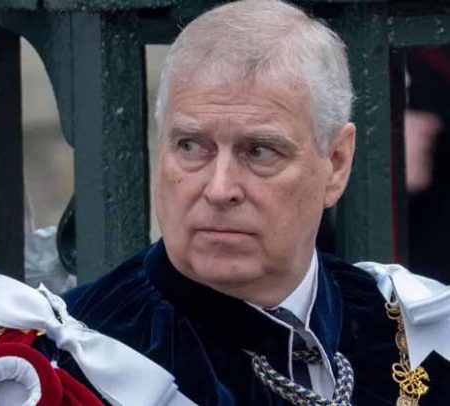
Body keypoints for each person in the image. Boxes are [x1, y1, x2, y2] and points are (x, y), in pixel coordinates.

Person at [41, 1, 450, 405]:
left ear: (337, 163)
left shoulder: (417, 330)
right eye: (191, 146)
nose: (220, 189)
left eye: (259, 151)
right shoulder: (65, 366)